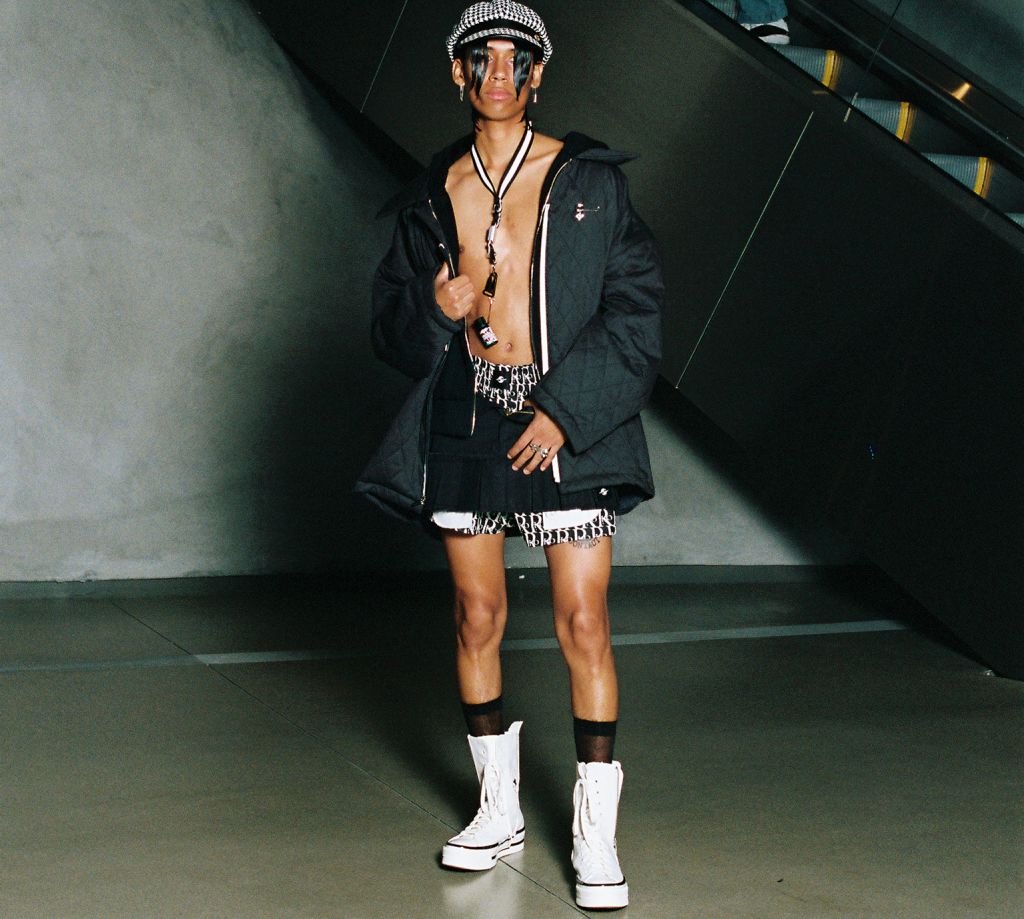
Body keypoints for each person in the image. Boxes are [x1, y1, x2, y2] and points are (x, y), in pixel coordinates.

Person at [356, 1, 663, 910]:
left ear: (538, 73)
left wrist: (566, 413)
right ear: (457, 72)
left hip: (563, 420)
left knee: (583, 621)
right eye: (482, 58)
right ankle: (498, 809)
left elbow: (637, 313)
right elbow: (388, 327)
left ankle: (595, 834)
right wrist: (434, 307)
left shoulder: (588, 181)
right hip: (467, 413)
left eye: (515, 58)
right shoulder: (432, 191)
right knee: (476, 614)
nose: (499, 72)